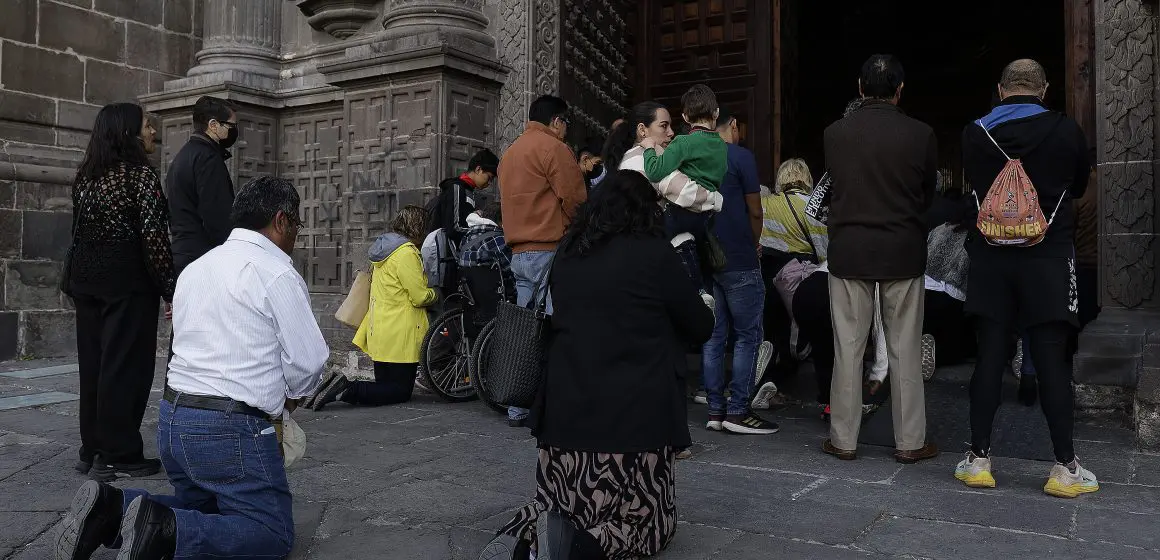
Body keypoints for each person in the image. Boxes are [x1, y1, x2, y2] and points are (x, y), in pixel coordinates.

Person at [57, 176, 329, 560]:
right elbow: (310, 360)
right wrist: (291, 399)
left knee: (208, 508)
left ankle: (111, 510)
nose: (296, 235)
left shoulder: (198, 268)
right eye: (297, 225)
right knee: (271, 534)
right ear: (282, 221)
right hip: (231, 428)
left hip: (174, 420)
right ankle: (167, 534)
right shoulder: (275, 271)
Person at [479, 170, 714, 560]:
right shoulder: (654, 253)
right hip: (632, 420)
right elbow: (700, 325)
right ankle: (574, 548)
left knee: (555, 505)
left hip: (563, 414)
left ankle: (525, 541)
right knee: (646, 526)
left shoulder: (569, 252)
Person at [956, 59, 1096, 497]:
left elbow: (972, 188)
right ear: (1045, 89)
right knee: (1052, 360)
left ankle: (978, 460)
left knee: (990, 357)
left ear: (1001, 90)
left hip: (991, 258)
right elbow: (1076, 187)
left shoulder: (974, 133)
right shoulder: (1066, 130)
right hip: (1048, 259)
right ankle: (1064, 469)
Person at [822, 54, 939, 463]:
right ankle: (910, 442)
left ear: (859, 87)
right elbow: (928, 194)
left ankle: (843, 439)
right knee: (905, 348)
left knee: (848, 347)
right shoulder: (920, 134)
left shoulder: (834, 134)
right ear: (900, 89)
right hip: (902, 249)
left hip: (850, 249)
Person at [64, 103, 175, 481]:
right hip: (126, 284)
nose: (152, 133)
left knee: (94, 366)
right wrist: (170, 288)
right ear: (128, 132)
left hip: (86, 282)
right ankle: (119, 453)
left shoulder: (87, 176)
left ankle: (92, 448)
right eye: (147, 125)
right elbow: (154, 239)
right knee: (125, 368)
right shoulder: (140, 177)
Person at [498, 95, 587, 427]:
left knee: (524, 331)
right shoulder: (553, 149)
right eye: (566, 124)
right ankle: (552, 403)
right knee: (556, 329)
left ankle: (517, 405)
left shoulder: (510, 153)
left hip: (519, 251)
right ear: (557, 122)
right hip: (549, 250)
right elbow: (575, 200)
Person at [313, 206, 438, 410]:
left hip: (379, 329)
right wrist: (436, 293)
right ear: (419, 227)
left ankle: (339, 387)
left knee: (384, 387)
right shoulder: (405, 253)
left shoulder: (383, 250)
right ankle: (347, 388)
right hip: (400, 332)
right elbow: (419, 296)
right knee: (400, 392)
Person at [699, 109, 778, 434]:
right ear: (731, 125)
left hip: (709, 256)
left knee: (715, 335)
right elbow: (755, 210)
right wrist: (754, 243)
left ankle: (715, 410)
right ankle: (738, 411)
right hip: (739, 257)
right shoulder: (740, 157)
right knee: (747, 335)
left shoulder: (697, 157)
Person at [640, 84, 729, 307]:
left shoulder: (683, 142)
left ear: (685, 116)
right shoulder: (721, 145)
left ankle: (696, 292)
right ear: (716, 113)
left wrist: (650, 147)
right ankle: (701, 292)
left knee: (661, 242)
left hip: (681, 212)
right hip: (706, 216)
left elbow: (655, 171)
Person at [166, 96, 238, 275]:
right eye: (230, 126)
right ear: (213, 125)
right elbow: (217, 217)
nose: (234, 131)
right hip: (202, 259)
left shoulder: (183, 155)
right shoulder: (208, 158)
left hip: (184, 255)